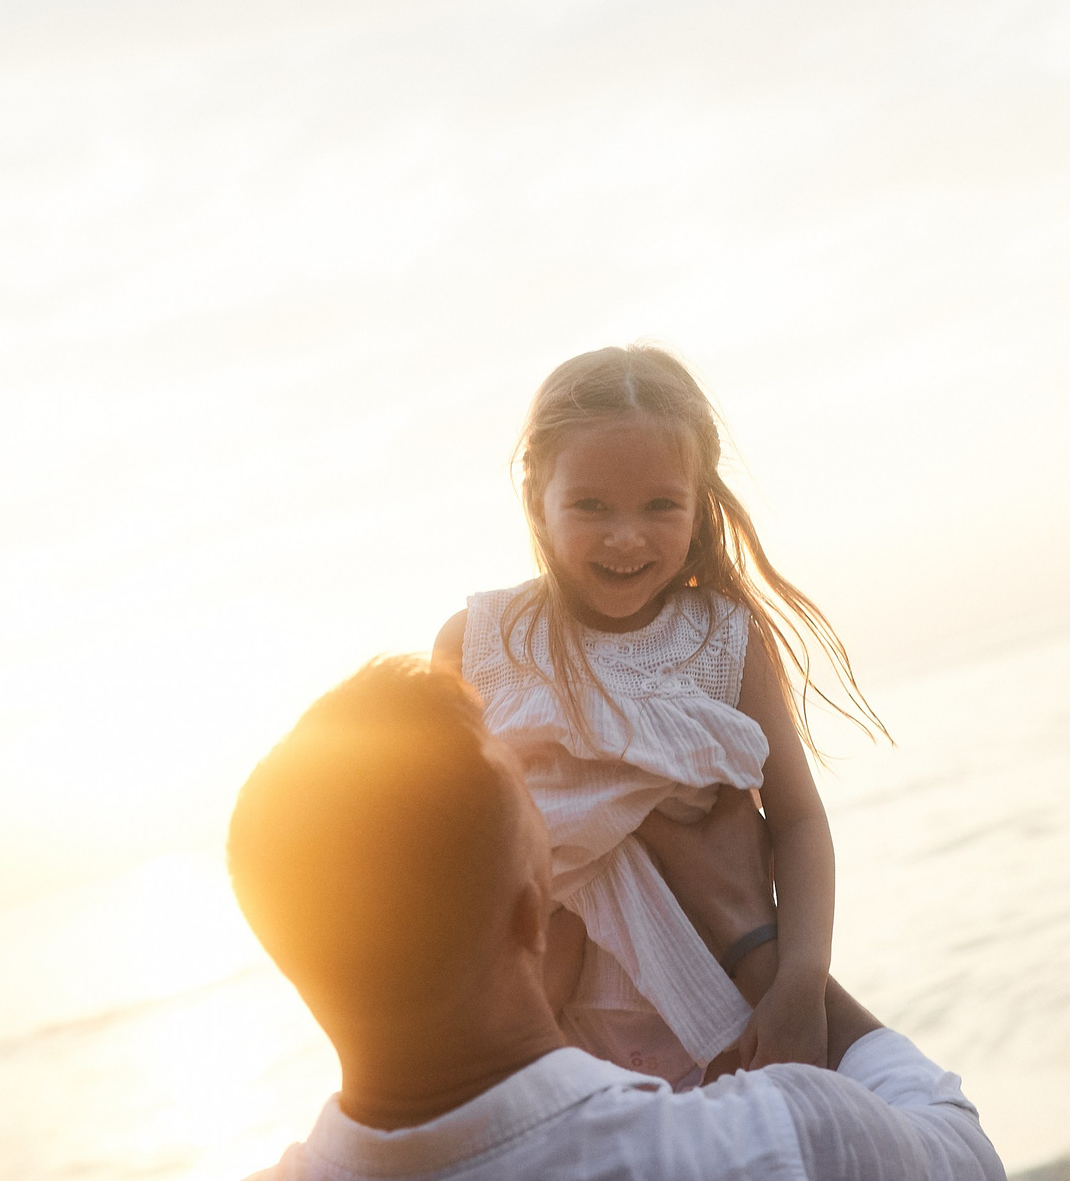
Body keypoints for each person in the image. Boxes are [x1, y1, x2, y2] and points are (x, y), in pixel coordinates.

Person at [229, 654, 1004, 1180]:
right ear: (534, 917)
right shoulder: (755, 1146)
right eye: (545, 815)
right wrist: (748, 933)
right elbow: (964, 1152)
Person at [432, 345, 886, 1088]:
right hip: (549, 1039)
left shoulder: (723, 638)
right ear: (536, 496)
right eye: (590, 505)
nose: (626, 536)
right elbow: (436, 849)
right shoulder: (479, 644)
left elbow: (799, 818)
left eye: (660, 505)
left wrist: (800, 983)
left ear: (698, 500)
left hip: (721, 1022)